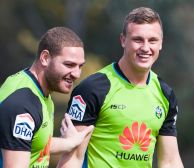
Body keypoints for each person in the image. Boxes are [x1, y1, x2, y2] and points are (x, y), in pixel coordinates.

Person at [58, 7, 184, 168]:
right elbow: (72, 159)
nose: (145, 48)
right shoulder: (92, 89)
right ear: (123, 40)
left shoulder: (166, 95)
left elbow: (170, 161)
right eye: (138, 40)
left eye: (152, 40)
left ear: (161, 43)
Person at [0, 27, 94, 168]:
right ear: (45, 58)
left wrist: (68, 143)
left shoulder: (39, 92)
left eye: (80, 66)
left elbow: (32, 142)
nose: (77, 74)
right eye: (69, 64)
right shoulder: (23, 105)